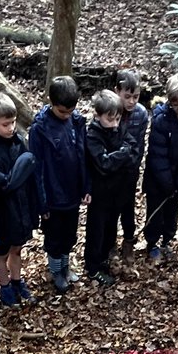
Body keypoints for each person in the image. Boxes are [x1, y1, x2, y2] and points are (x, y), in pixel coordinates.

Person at [0, 93, 39, 307]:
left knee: (17, 248)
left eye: (13, 122)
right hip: (2, 213)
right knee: (2, 252)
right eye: (5, 124)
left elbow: (29, 176)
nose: (11, 128)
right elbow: (3, 184)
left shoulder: (17, 141)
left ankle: (16, 281)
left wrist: (35, 206)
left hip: (21, 208)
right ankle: (4, 287)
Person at [30, 75, 88, 293]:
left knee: (69, 235)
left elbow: (83, 156)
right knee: (54, 237)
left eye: (71, 110)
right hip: (53, 196)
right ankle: (56, 270)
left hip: (72, 192)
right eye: (62, 111)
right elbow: (37, 169)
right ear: (51, 103)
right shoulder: (40, 129)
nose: (67, 115)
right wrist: (42, 203)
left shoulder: (76, 122)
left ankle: (66, 265)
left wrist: (86, 187)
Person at [142, 73, 178, 263]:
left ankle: (167, 240)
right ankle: (152, 243)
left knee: (171, 213)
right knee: (155, 212)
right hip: (159, 180)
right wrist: (168, 183)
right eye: (175, 104)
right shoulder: (161, 119)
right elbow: (158, 156)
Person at [84, 90, 139, 286]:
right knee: (96, 231)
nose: (115, 124)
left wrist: (120, 155)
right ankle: (92, 267)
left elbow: (133, 149)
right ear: (98, 116)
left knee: (110, 229)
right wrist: (121, 155)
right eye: (110, 119)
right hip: (100, 194)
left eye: (117, 119)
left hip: (118, 192)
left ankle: (104, 259)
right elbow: (103, 164)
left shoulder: (118, 128)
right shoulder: (93, 135)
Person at [112, 69, 149, 264]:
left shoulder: (141, 114)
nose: (132, 102)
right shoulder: (109, 109)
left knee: (127, 207)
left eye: (136, 97)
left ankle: (128, 242)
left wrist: (130, 164)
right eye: (127, 96)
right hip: (110, 170)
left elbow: (139, 146)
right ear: (117, 91)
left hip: (129, 170)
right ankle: (109, 245)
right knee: (110, 209)